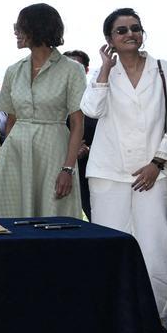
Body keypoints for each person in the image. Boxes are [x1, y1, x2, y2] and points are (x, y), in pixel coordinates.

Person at [80, 8, 167, 333]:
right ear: (110, 40)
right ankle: (115, 323)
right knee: (111, 249)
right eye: (121, 30)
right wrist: (105, 70)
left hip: (156, 172)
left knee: (156, 248)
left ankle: (157, 322)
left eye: (135, 28)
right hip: (109, 173)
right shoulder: (103, 73)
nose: (130, 34)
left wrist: (158, 161)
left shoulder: (166, 70)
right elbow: (90, 110)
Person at [0, 3, 86, 218]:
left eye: (20, 26)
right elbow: (11, 120)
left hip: (53, 151)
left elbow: (78, 123)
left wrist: (68, 169)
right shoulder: (13, 70)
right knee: (11, 218)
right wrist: (5, 161)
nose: (16, 31)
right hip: (15, 154)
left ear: (37, 28)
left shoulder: (73, 70)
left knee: (53, 219)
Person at [64, 49, 99, 220]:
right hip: (60, 171)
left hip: (92, 173)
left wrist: (88, 149)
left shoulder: (97, 98)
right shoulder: (53, 102)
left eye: (76, 66)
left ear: (86, 70)